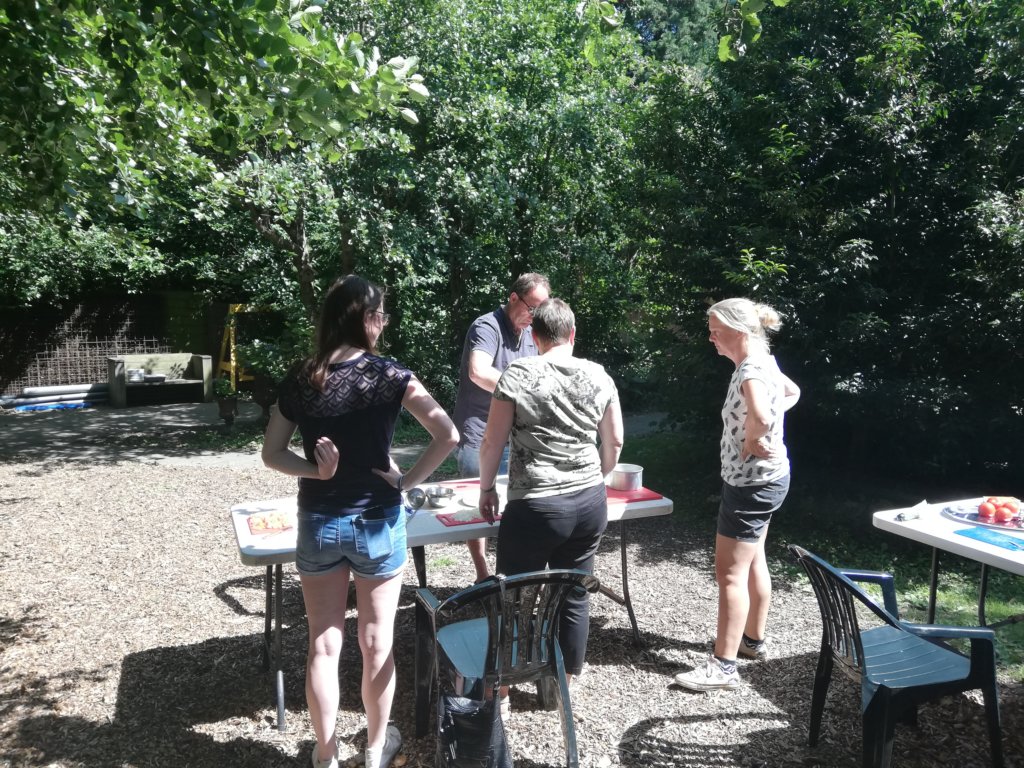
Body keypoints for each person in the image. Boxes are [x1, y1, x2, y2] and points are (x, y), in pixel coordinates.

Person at [262, 275, 459, 768]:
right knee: (377, 643)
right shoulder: (391, 375)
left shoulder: (302, 376)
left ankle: (325, 756)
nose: (384, 324)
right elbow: (448, 435)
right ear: (367, 319)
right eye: (381, 315)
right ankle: (374, 750)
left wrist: (317, 471)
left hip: (319, 522)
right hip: (377, 522)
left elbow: (272, 453)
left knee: (323, 645)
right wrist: (405, 480)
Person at [478, 298, 624, 704]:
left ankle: (502, 691)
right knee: (574, 594)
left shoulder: (518, 373)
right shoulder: (599, 375)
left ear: (534, 335)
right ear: (572, 334)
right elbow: (614, 441)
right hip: (588, 502)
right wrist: (598, 478)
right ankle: (561, 689)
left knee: (514, 598)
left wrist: (487, 488)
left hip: (536, 506)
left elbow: (491, 441)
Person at [674, 298, 800, 692]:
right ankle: (752, 641)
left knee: (730, 575)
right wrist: (765, 429)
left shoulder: (750, 369)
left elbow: (761, 415)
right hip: (770, 480)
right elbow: (792, 392)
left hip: (750, 485)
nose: (711, 337)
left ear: (739, 330)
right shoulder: (764, 361)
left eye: (716, 330)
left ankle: (723, 667)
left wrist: (754, 436)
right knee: (754, 557)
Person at [452, 272, 551, 582]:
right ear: (513, 298)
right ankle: (483, 575)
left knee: (519, 505)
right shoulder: (487, 326)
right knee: (477, 507)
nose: (536, 316)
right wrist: (525, 390)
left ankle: (514, 574)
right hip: (479, 432)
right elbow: (478, 372)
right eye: (532, 308)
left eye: (542, 309)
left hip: (519, 435)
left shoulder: (533, 333)